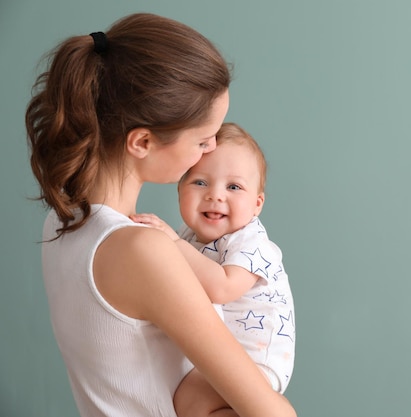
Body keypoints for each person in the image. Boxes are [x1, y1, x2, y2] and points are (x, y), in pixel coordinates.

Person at [25, 13, 296, 417]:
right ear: (143, 141)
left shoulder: (62, 221)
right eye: (204, 141)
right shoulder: (142, 250)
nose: (210, 153)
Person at [131, 122, 295, 394]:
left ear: (257, 204)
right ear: (180, 190)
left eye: (233, 187)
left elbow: (222, 288)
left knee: (192, 396)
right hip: (221, 358)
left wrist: (171, 243)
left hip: (256, 363)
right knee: (187, 400)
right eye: (200, 182)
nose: (215, 195)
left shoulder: (253, 243)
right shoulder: (188, 237)